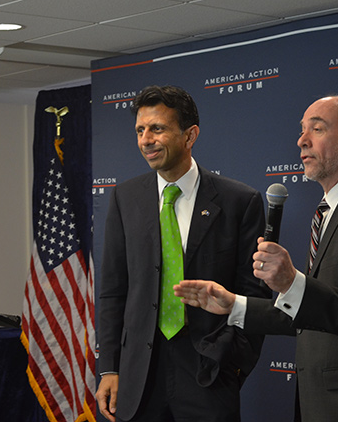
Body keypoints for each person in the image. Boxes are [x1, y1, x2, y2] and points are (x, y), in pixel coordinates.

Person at [175, 93, 338, 421]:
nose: (302, 141)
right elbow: (316, 313)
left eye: (317, 129)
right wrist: (235, 305)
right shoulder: (332, 212)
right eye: (302, 130)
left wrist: (293, 283)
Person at [96, 85, 270, 422]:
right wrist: (109, 368)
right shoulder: (125, 198)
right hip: (139, 376)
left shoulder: (239, 201)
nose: (146, 139)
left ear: (190, 136)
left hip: (208, 371)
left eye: (157, 129)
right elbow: (113, 290)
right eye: (140, 130)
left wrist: (233, 362)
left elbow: (254, 293)